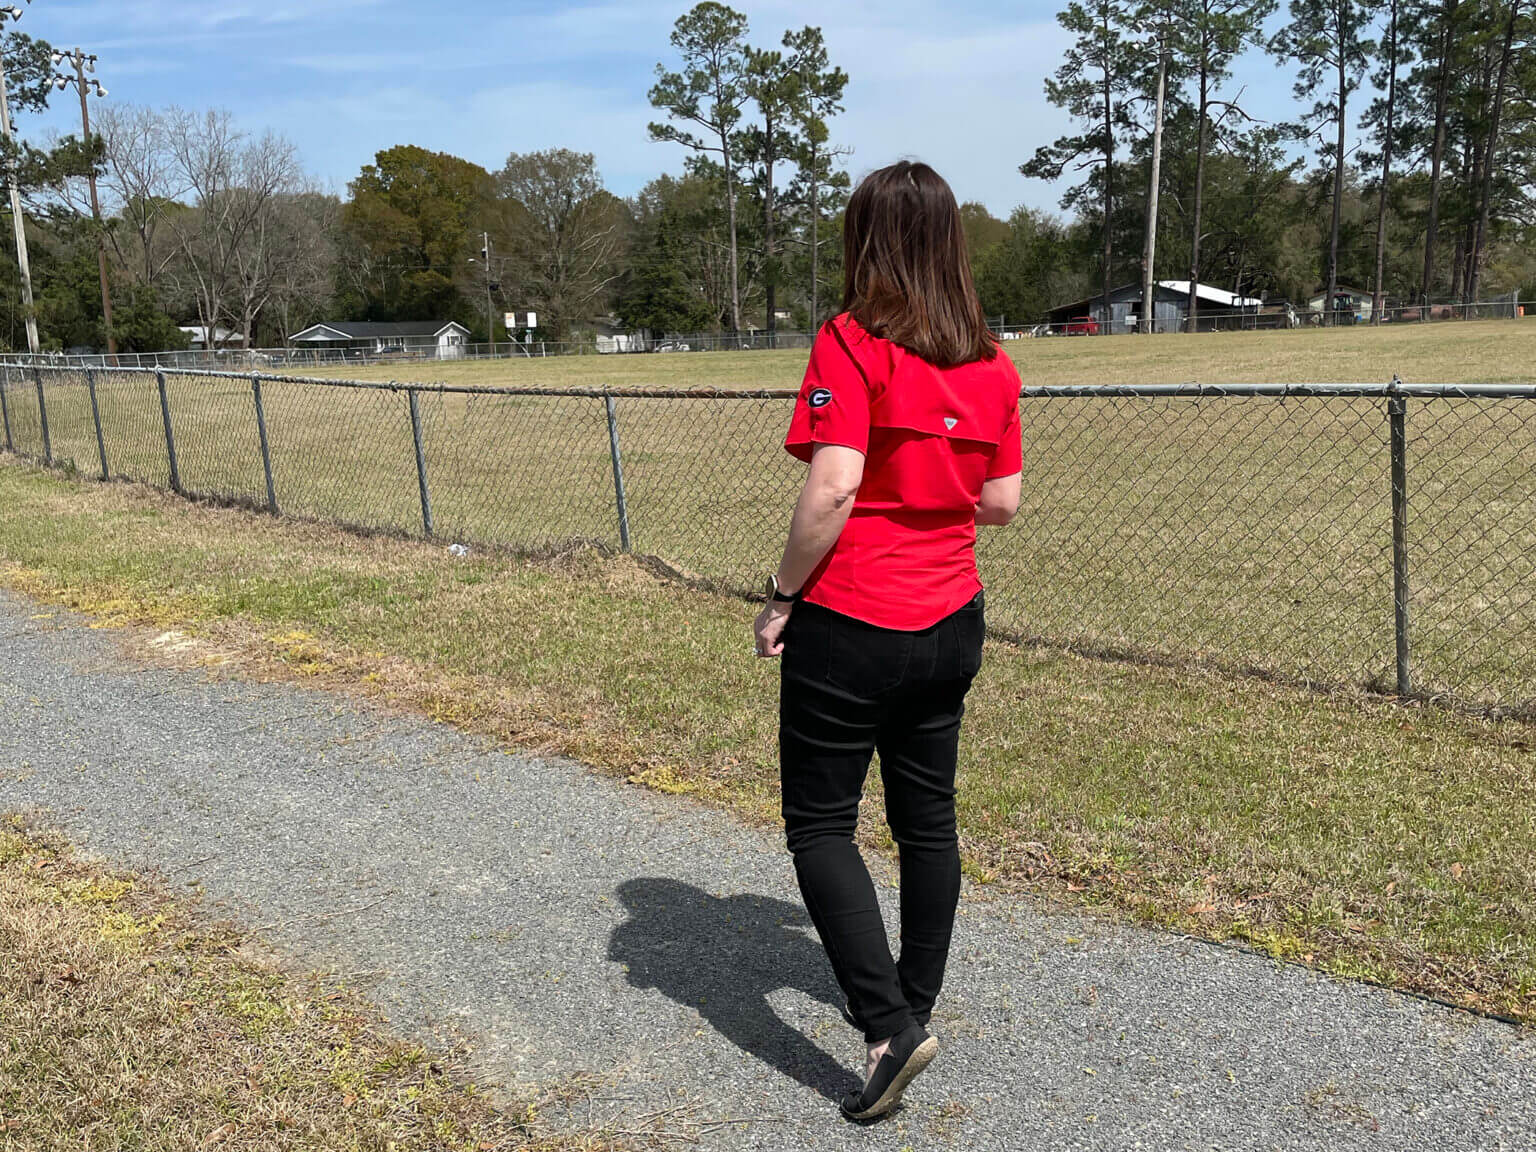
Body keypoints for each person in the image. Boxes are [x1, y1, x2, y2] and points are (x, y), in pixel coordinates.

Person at [753, 160, 1023, 1122]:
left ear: (866, 242)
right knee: (927, 820)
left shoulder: (851, 342)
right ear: (950, 244)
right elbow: (1001, 502)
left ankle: (887, 1030)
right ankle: (916, 997)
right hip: (953, 621)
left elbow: (831, 486)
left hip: (856, 616)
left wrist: (782, 594)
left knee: (822, 824)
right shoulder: (993, 362)